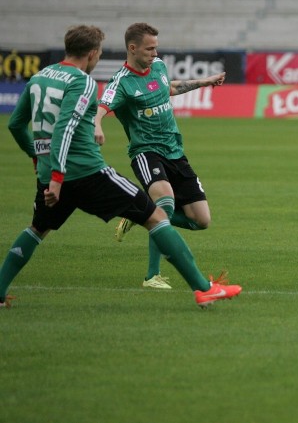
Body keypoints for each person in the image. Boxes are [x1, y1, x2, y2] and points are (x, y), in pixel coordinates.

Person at [2, 24, 241, 309]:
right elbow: (66, 128)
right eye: (100, 53)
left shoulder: (40, 77)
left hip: (52, 173)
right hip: (87, 172)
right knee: (156, 216)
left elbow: (16, 125)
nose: (99, 58)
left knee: (37, 229)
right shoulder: (83, 81)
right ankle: (200, 288)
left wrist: (38, 160)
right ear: (91, 53)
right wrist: (60, 172)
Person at [94, 22, 225, 290]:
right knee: (164, 202)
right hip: (146, 152)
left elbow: (168, 88)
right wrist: (96, 124)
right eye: (150, 48)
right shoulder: (121, 82)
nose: (155, 53)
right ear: (132, 48)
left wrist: (204, 82)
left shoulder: (159, 67)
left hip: (175, 150)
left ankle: (141, 213)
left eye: (156, 47)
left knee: (201, 220)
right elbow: (102, 106)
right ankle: (152, 276)